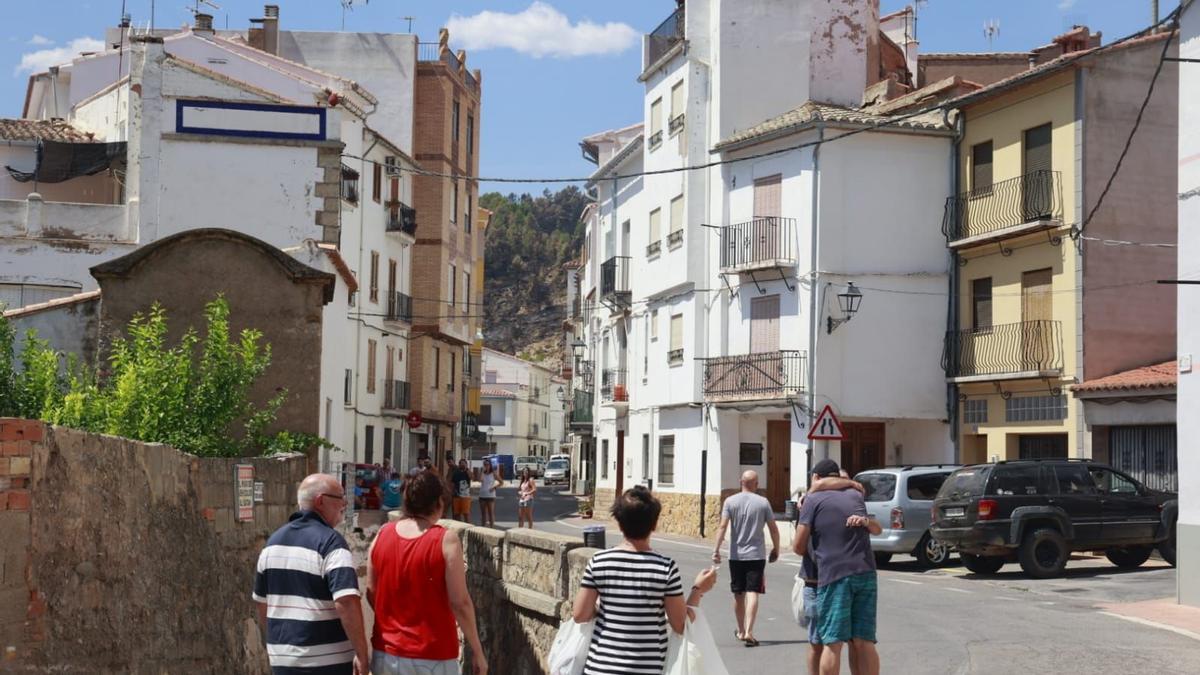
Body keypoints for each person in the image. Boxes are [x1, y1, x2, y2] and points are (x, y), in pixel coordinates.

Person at [572, 486, 718, 675]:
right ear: (654, 524)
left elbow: (580, 615)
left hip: (599, 668)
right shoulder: (665, 567)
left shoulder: (599, 562)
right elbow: (680, 625)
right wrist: (698, 589)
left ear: (618, 522)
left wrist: (602, 608)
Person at [366, 470, 487, 675]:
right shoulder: (445, 540)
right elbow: (460, 603)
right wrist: (477, 650)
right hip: (432, 654)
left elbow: (371, 591)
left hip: (386, 652)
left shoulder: (382, 534)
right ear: (439, 502)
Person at [253, 473, 369, 675]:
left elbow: (263, 604)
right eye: (340, 497)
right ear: (320, 501)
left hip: (283, 661)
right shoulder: (331, 543)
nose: (345, 503)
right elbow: (347, 601)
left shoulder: (272, 544)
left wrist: (278, 648)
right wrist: (361, 653)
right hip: (326, 664)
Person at [794, 459, 883, 675]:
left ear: (816, 477)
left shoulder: (813, 499)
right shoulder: (855, 494)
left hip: (834, 575)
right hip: (866, 572)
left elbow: (797, 547)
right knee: (864, 641)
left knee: (832, 643)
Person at [711, 470, 779, 647]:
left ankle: (741, 631)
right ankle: (749, 631)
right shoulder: (763, 503)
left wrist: (716, 549)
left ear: (740, 481)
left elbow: (722, 526)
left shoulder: (730, 501)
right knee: (753, 592)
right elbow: (773, 528)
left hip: (736, 555)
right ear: (756, 484)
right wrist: (776, 549)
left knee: (738, 594)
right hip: (756, 555)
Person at [477, 460, 502, 527]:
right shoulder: (482, 473)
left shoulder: (493, 473)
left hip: (490, 496)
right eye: (485, 464)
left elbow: (501, 482)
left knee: (491, 513)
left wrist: (494, 488)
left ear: (490, 465)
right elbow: (480, 480)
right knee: (483, 513)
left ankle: (491, 528)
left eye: (488, 464)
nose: (486, 466)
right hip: (482, 495)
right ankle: (483, 528)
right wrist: (482, 471)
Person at [450, 459, 472, 523]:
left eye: (464, 463)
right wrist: (452, 492)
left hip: (465, 496)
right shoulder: (456, 473)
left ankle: (467, 528)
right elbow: (452, 483)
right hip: (456, 496)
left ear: (466, 464)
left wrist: (466, 469)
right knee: (457, 514)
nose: (462, 465)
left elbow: (472, 477)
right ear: (459, 465)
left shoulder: (467, 472)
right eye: (461, 463)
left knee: (466, 514)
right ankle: (459, 528)